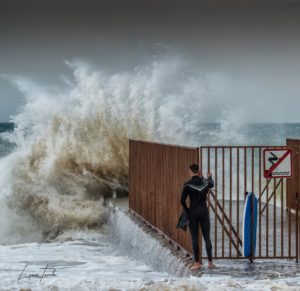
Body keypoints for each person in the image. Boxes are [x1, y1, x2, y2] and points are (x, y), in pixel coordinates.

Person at [180, 163, 215, 270]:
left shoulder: (187, 185)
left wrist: (187, 210)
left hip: (193, 212)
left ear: (190, 171)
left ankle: (197, 263)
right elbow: (212, 184)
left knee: (195, 238)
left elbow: (182, 201)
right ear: (198, 171)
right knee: (207, 237)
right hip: (204, 211)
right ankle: (210, 263)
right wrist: (209, 176)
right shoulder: (205, 183)